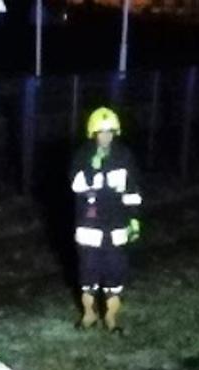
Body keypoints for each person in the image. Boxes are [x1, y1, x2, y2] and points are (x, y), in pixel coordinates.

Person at [70, 106, 144, 333]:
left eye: (110, 132)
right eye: (101, 132)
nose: (106, 137)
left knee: (116, 275)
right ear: (93, 134)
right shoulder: (82, 156)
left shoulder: (124, 156)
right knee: (88, 276)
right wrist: (93, 167)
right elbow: (76, 185)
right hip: (90, 229)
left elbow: (132, 190)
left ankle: (112, 320)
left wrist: (134, 220)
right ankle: (89, 316)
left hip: (117, 228)